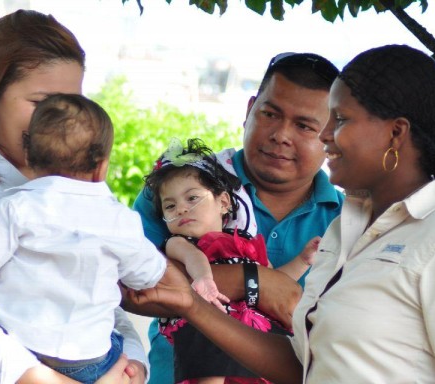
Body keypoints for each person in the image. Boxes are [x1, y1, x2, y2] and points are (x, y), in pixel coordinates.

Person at [127, 44, 435, 383]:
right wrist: (202, 301)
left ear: (395, 135)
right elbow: (305, 364)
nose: (325, 135)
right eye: (272, 115)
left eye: (338, 120)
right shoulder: (347, 231)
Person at [0, 10, 148, 384]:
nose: (57, 121)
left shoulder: (67, 191)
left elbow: (96, 297)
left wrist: (133, 364)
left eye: (70, 104)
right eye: (42, 102)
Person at [130, 52, 344, 384]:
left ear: (330, 134)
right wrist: (255, 280)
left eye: (303, 125)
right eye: (270, 114)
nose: (281, 135)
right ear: (249, 111)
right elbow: (134, 287)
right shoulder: (180, 188)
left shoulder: (349, 222)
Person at [143, 137, 319, 383]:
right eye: (170, 206)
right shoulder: (178, 243)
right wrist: (204, 280)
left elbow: (276, 281)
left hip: (250, 335)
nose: (181, 209)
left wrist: (303, 260)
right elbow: (194, 259)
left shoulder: (246, 242)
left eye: (192, 198)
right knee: (205, 330)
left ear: (223, 202)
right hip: (205, 327)